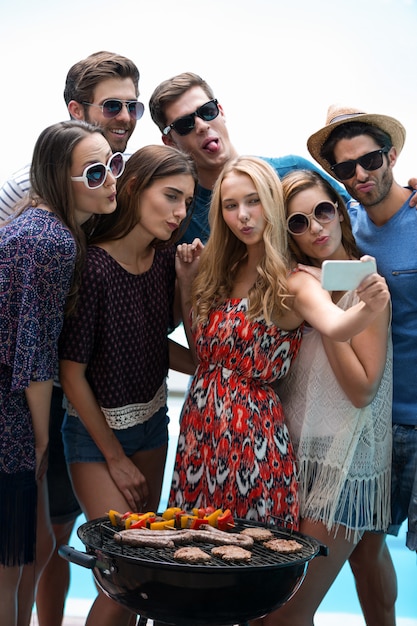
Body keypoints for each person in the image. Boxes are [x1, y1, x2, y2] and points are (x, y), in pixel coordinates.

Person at [170, 156, 390, 534]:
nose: (243, 215)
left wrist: (370, 305)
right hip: (198, 433)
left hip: (253, 441)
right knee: (191, 566)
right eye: (231, 205)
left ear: (271, 202)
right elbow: (205, 355)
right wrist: (187, 283)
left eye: (253, 201)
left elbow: (336, 326)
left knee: (247, 566)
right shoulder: (217, 271)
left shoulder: (294, 281)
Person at [0, 50, 143, 626]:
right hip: (12, 422)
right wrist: (36, 446)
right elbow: (34, 359)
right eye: (94, 173)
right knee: (12, 562)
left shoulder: (43, 228)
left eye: (111, 166)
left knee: (19, 558)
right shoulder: (52, 240)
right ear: (60, 179)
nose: (109, 179)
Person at [58, 144, 197, 626]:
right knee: (125, 576)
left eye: (187, 203)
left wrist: (184, 284)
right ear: (135, 188)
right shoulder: (92, 266)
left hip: (153, 428)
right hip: (96, 441)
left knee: (147, 575)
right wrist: (115, 457)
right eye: (172, 197)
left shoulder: (164, 260)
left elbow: (159, 342)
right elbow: (70, 373)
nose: (180, 214)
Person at [258, 168, 392, 626]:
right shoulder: (294, 283)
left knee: (289, 613)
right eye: (298, 222)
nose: (315, 227)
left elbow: (362, 391)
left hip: (344, 467)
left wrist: (327, 314)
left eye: (322, 211)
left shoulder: (369, 286)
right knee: (273, 607)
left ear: (339, 212)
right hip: (290, 460)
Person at [307, 105, 417, 625]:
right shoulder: (339, 224)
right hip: (369, 422)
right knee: (364, 553)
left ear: (391, 154)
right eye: (345, 168)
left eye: (369, 159)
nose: (360, 174)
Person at [148, 72, 352, 244]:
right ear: (170, 142)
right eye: (185, 124)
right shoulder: (180, 218)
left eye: (207, 111)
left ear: (220, 111)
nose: (201, 125)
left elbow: (358, 221)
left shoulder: (294, 171)